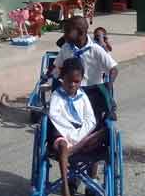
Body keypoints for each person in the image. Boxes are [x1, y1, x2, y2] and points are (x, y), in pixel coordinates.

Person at [48, 58, 106, 196]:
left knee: (103, 131)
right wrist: (72, 135)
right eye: (69, 81)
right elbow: (55, 117)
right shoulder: (57, 96)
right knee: (62, 144)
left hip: (82, 133)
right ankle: (66, 189)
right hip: (62, 133)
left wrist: (79, 135)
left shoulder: (83, 96)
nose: (73, 84)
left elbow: (90, 119)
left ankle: (77, 150)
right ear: (62, 78)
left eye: (77, 82)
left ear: (81, 81)